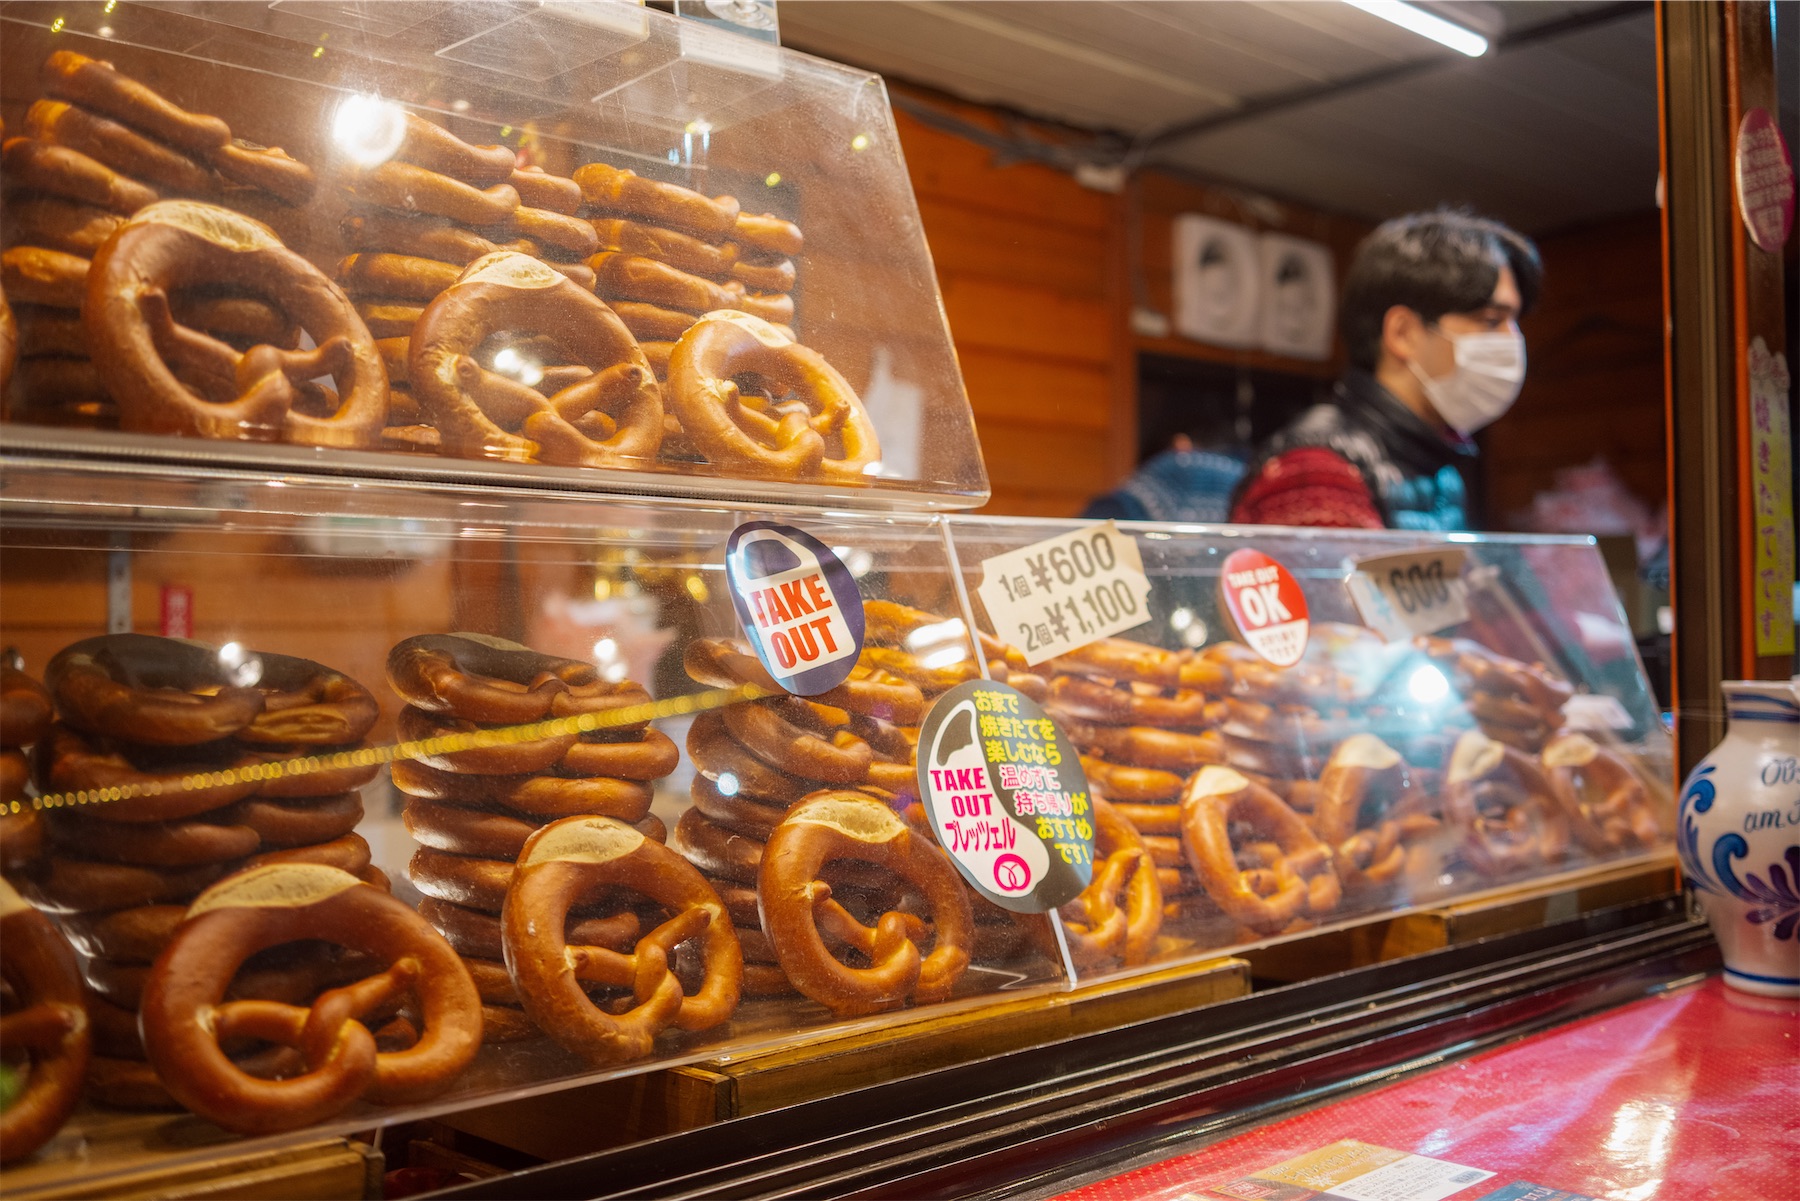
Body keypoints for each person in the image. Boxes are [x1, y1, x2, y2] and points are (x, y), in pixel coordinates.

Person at [1229, 210, 1541, 530]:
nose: (1513, 340)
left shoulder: (1440, 468)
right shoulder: (1317, 472)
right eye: (1491, 321)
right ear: (1402, 333)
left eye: (1514, 322)